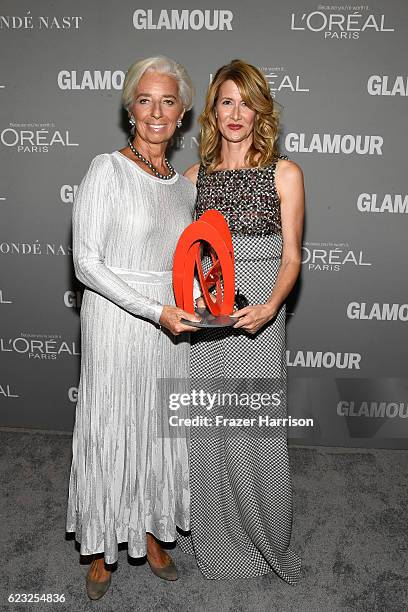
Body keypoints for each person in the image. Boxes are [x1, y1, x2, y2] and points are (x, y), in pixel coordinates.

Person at [66, 55, 200, 600]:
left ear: (183, 112)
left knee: (156, 426)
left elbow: (184, 260)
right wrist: (153, 309)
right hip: (119, 320)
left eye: (168, 101)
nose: (156, 112)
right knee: (110, 424)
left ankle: (150, 531)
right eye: (145, 100)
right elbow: (86, 263)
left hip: (170, 327)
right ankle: (101, 547)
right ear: (130, 109)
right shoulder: (107, 169)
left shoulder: (183, 187)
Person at [177, 59, 304, 584]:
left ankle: (267, 542)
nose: (236, 112)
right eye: (226, 101)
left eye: (246, 102)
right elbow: (181, 255)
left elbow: (293, 256)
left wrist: (271, 306)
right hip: (207, 325)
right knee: (207, 436)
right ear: (213, 110)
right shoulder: (192, 178)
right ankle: (218, 550)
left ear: (261, 111)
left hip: (259, 317)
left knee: (256, 436)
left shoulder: (285, 173)